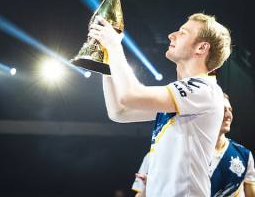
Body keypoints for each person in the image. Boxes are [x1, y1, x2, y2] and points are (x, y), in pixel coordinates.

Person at [89, 13, 232, 197]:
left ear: (202, 47)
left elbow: (130, 95)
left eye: (183, 32)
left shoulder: (204, 89)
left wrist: (114, 44)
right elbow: (119, 112)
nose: (171, 35)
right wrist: (106, 63)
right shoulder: (182, 97)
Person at [131, 93, 255, 197]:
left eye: (230, 109)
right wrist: (153, 187)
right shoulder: (171, 153)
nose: (228, 115)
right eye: (223, 110)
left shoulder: (244, 155)